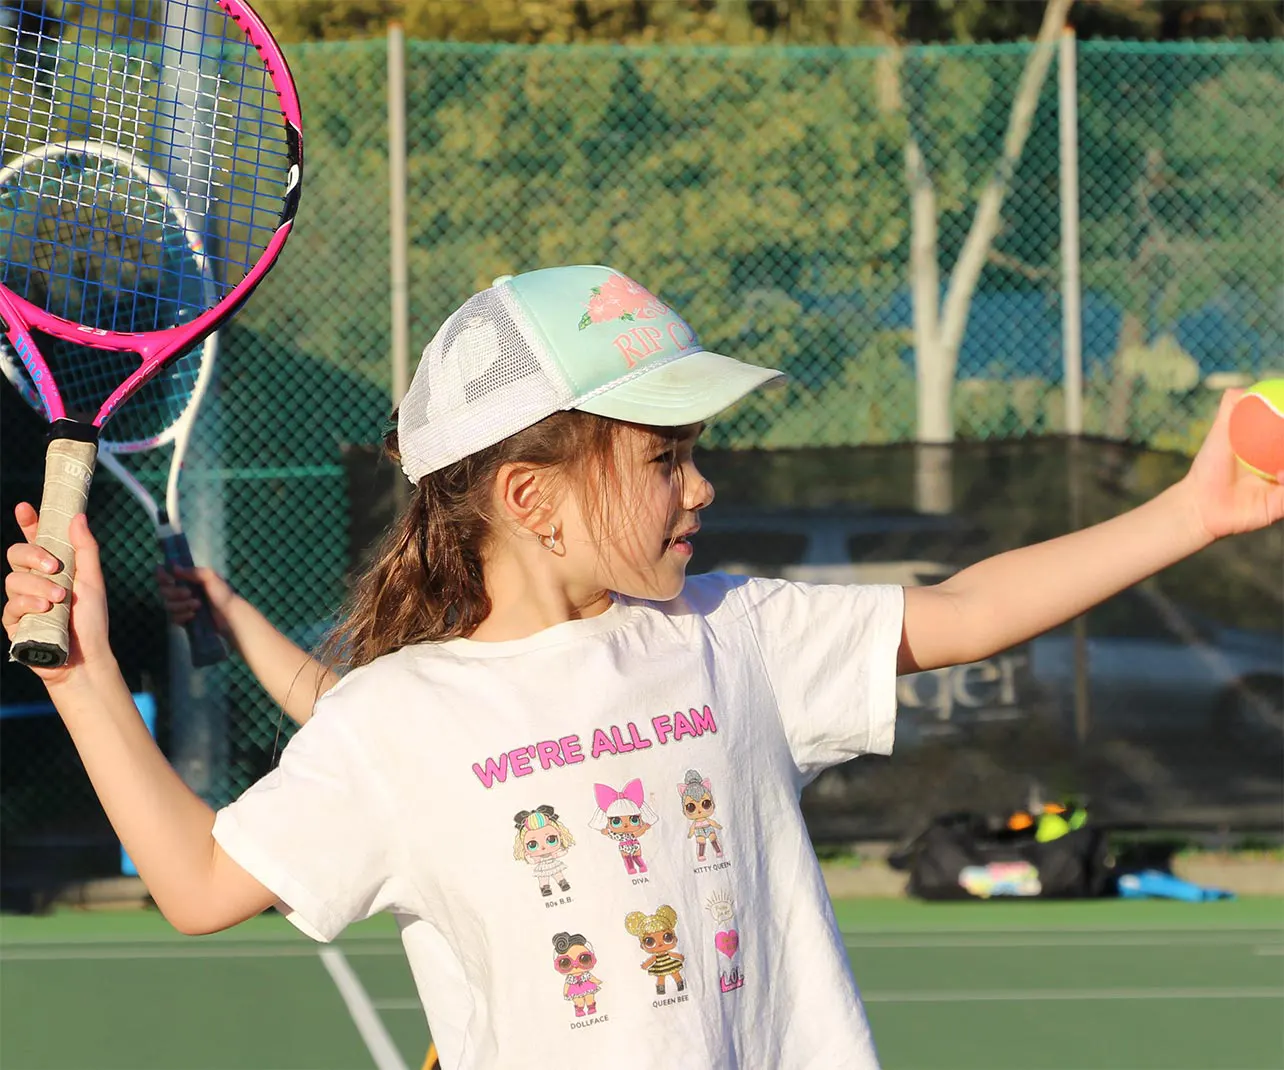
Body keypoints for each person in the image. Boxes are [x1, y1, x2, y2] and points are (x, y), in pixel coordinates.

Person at [4, 264, 1281, 1069]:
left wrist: (1188, 511)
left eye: (694, 447)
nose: (702, 481)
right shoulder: (398, 717)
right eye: (664, 454)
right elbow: (197, 880)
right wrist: (83, 676)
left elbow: (963, 608)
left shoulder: (732, 632)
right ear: (531, 495)